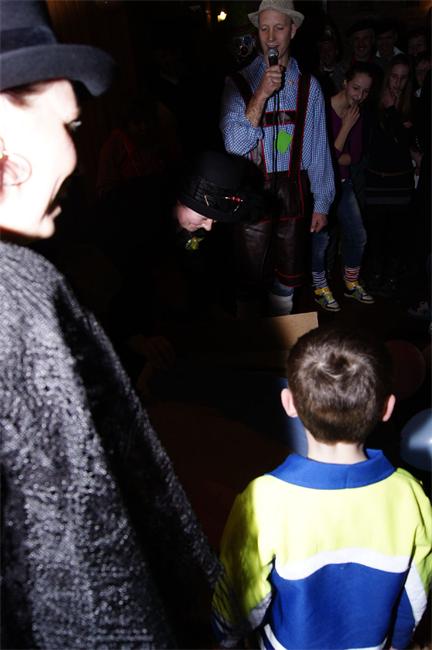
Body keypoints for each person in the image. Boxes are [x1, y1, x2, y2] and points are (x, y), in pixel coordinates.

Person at [0, 2, 219, 648]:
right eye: (68, 122)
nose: (75, 150)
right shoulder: (19, 298)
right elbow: (93, 588)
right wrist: (129, 340)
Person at [212, 326, 432, 649]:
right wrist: (398, 643)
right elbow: (415, 595)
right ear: (387, 408)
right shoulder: (411, 496)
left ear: (289, 403)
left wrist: (226, 635)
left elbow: (239, 595)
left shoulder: (262, 499)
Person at [220, 0, 335, 317]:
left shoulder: (309, 86)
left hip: (293, 192)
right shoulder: (237, 83)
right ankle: (249, 340)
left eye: (279, 28)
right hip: (250, 192)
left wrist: (322, 201)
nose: (271, 38)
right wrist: (260, 95)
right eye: (264, 29)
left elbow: (318, 149)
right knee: (248, 281)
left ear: (293, 30)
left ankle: (283, 334)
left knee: (288, 279)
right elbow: (234, 146)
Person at [311, 63, 375, 312]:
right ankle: (319, 288)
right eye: (356, 88)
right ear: (345, 83)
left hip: (343, 183)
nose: (360, 95)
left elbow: (354, 156)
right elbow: (321, 158)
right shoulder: (322, 108)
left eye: (366, 91)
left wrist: (334, 155)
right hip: (319, 185)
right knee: (321, 240)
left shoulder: (356, 113)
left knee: (358, 236)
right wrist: (345, 128)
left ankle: (351, 283)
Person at [363, 54, 416, 297]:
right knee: (375, 234)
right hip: (376, 180)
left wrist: (393, 110)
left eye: (403, 78)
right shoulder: (373, 104)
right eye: (394, 76)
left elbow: (403, 143)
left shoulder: (412, 106)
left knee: (396, 235)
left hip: (400, 182)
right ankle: (374, 275)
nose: (398, 83)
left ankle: (392, 278)